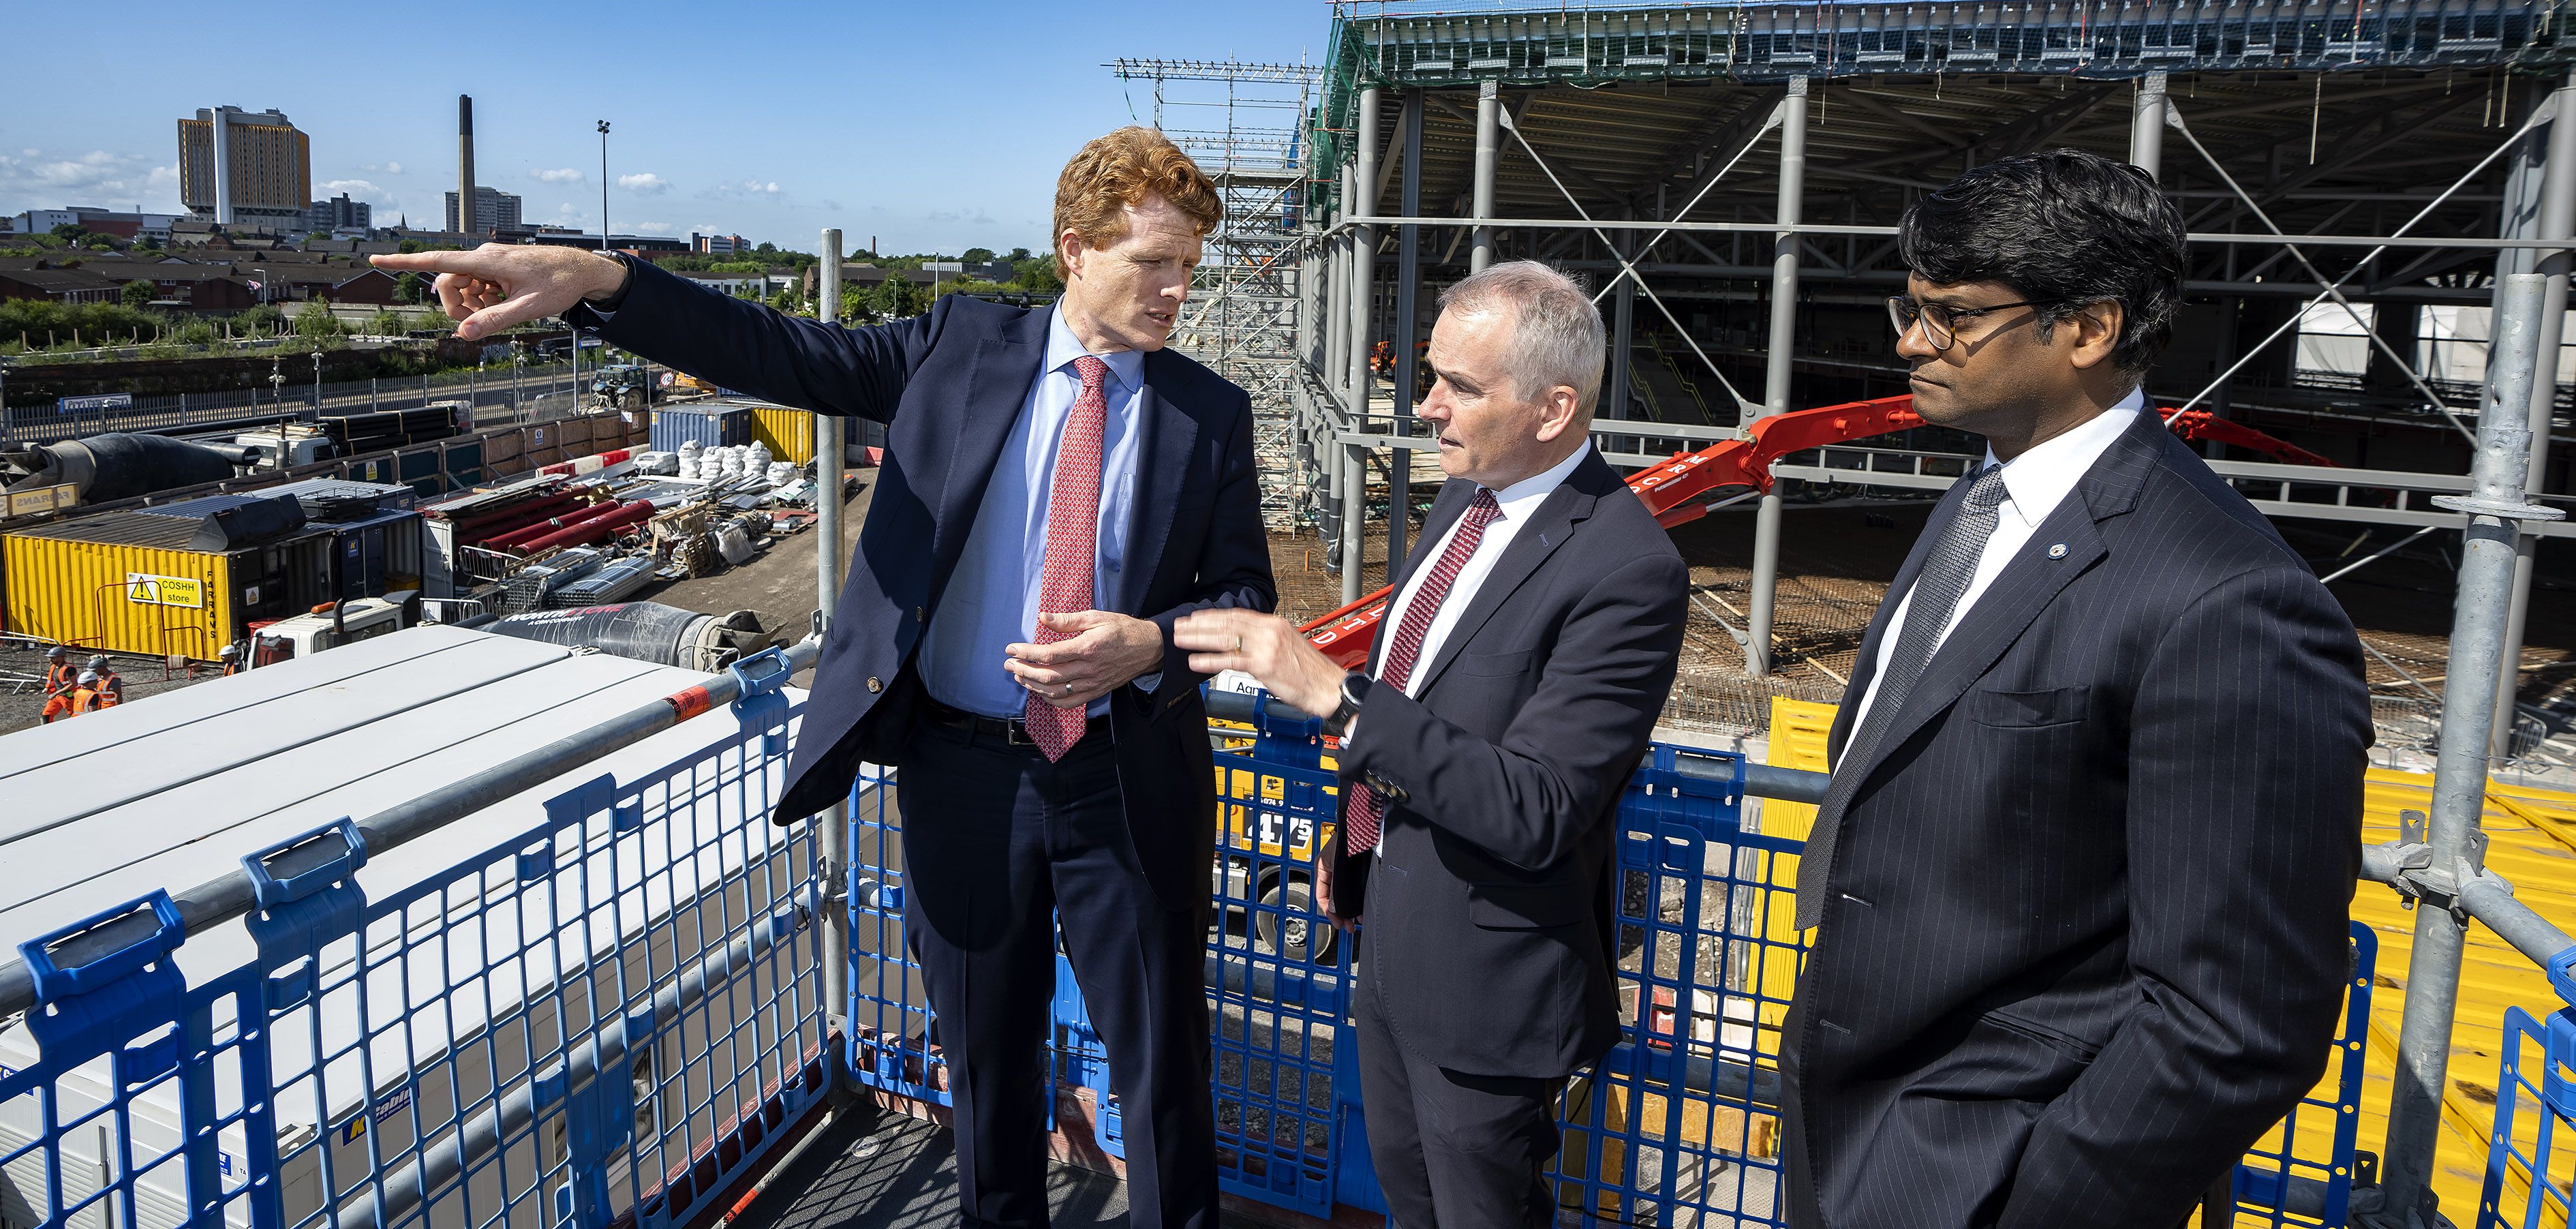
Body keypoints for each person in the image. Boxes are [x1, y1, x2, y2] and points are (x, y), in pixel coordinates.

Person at [378, 126, 1273, 1229]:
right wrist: (596, 281)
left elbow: (1245, 601)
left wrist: (1147, 645)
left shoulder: (1207, 413)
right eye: (1154, 263)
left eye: (1191, 265)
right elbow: (781, 350)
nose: (1178, 289)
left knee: (1165, 1075)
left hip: (1128, 778)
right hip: (963, 779)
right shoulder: (961, 346)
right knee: (986, 1070)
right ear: (1074, 249)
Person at [1780, 151, 2371, 1229]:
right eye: (1908, 307)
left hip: (1976, 1174)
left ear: (2089, 330)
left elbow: (2239, 1019)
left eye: (1953, 316)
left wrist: (2027, 1204)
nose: (1910, 342)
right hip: (1849, 1130)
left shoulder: (2226, 599)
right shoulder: (1978, 502)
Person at [1178, 261, 1687, 1228]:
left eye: (1460, 386)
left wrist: (1331, 694)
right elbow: (1426, 695)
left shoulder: (1628, 570)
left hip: (1487, 997)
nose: (1425, 407)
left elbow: (1537, 806)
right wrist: (1354, 840)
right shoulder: (1469, 499)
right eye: (1429, 377)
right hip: (1390, 939)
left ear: (1554, 408)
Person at [41, 649, 78, 723]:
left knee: (73, 715)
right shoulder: (54, 667)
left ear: (61, 658)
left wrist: (56, 693)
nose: (50, 659)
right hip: (57, 696)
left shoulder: (68, 669)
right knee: (46, 715)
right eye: (50, 657)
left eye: (53, 658)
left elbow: (73, 684)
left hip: (68, 696)